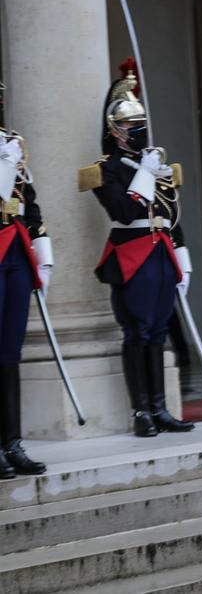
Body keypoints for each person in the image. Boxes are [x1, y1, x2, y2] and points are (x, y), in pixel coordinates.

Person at [79, 64, 194, 437]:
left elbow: (172, 215)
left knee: (159, 331)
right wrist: (144, 173)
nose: (139, 130)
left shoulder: (155, 164)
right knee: (138, 331)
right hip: (132, 254)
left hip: (161, 252)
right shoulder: (105, 170)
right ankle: (140, 411)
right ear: (115, 130)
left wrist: (183, 260)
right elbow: (124, 211)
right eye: (132, 125)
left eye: (141, 123)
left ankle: (160, 408)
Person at [0, 82, 53, 478]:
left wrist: (44, 254)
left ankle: (12, 442)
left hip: (16, 250)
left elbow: (28, 202)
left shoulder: (12, 144)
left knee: (10, 350)